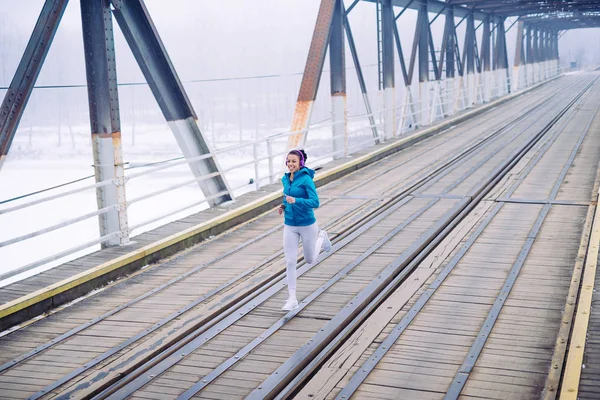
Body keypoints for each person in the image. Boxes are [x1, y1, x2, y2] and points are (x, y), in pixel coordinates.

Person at [278, 149, 331, 311]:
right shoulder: (285, 179)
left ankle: (321, 237)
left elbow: (315, 202)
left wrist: (296, 200)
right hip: (290, 225)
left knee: (310, 260)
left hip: (307, 224)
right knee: (290, 261)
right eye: (288, 161)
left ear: (300, 163)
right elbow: (286, 196)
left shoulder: (306, 179)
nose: (290, 164)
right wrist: (283, 205)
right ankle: (292, 298)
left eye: (293, 161)